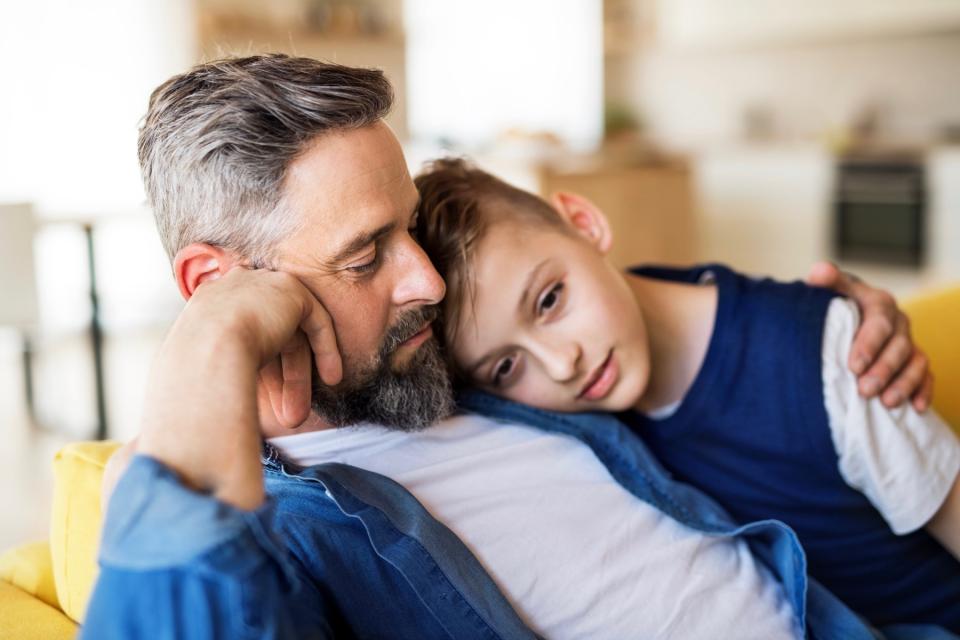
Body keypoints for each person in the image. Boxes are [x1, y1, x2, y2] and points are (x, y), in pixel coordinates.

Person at [85, 54, 943, 639]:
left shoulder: (451, 367)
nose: (426, 279)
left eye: (410, 229)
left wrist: (819, 323)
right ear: (216, 283)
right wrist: (210, 348)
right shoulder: (281, 531)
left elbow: (600, 302)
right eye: (365, 254)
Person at [412, 157, 960, 631]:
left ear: (585, 223)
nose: (561, 363)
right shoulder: (560, 419)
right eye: (508, 366)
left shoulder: (828, 349)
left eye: (550, 300)